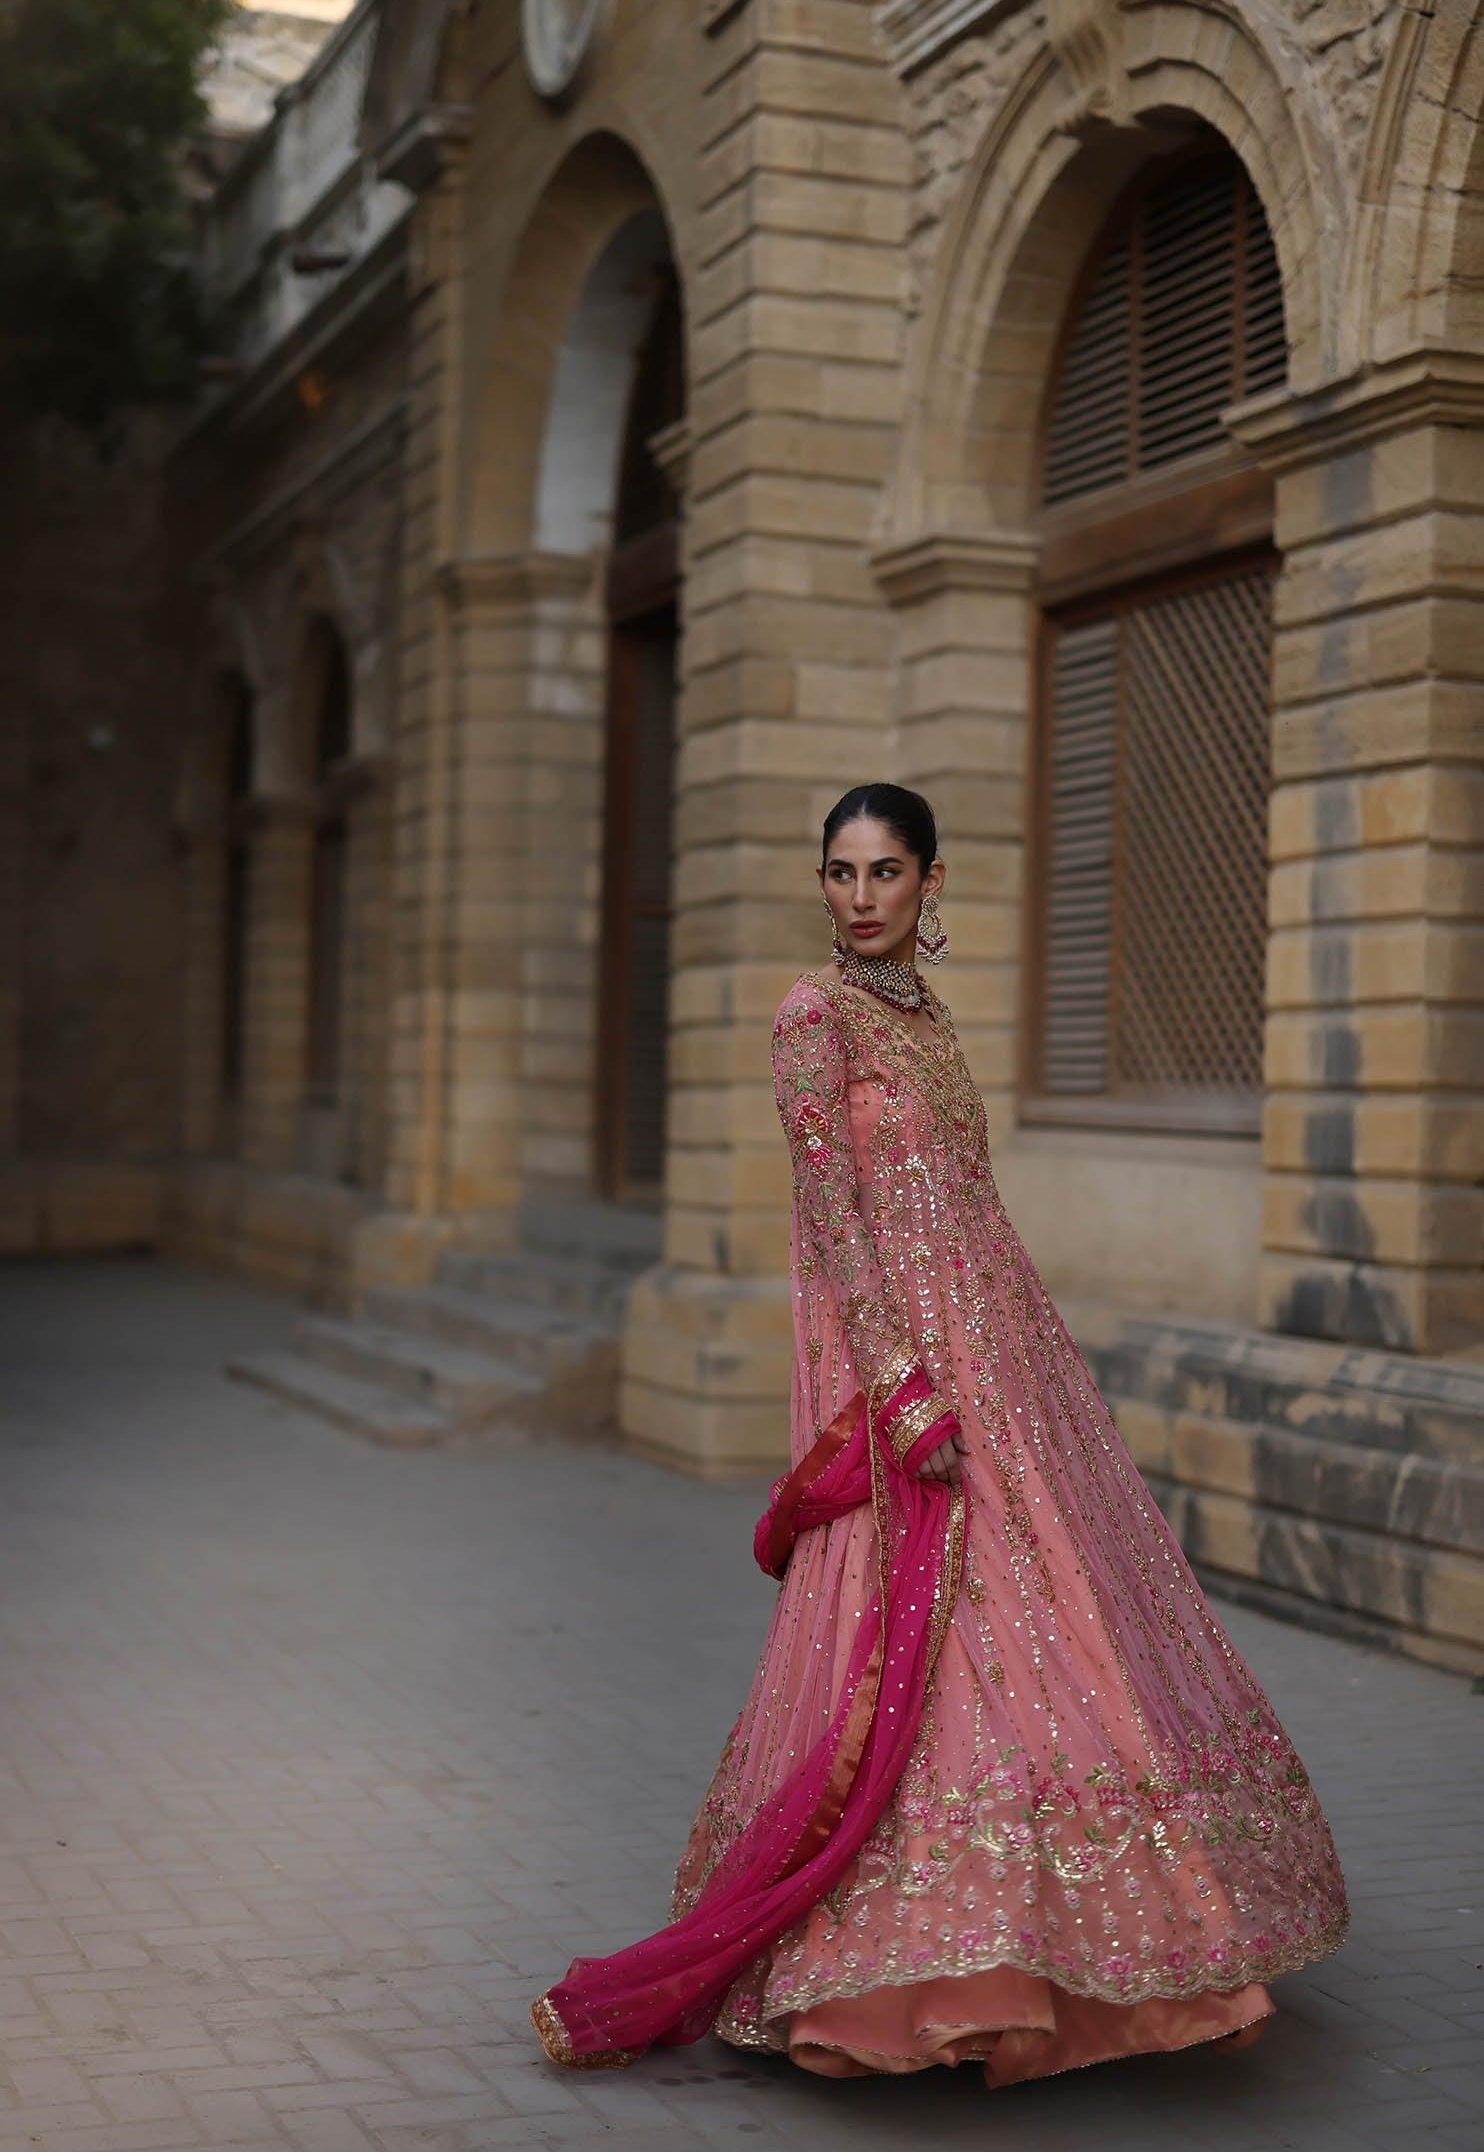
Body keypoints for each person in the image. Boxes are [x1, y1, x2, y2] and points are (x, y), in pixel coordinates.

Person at [532, 781, 1349, 2081]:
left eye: (886, 872)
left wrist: (1030, 1365)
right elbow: (836, 1220)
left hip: (1003, 1367)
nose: (860, 897)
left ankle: (1081, 1955)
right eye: (841, 872)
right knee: (920, 1635)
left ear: (931, 882)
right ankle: (879, 1982)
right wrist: (900, 1389)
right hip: (901, 1376)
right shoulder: (814, 1017)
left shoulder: (931, 1017)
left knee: (1044, 1628)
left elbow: (969, 1199)